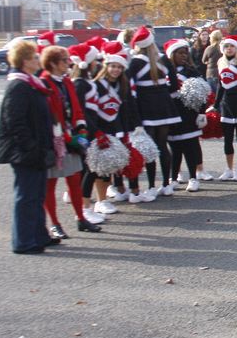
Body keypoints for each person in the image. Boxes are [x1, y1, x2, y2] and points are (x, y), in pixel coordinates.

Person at [0, 41, 61, 254]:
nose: (38, 60)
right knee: (26, 196)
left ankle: (39, 235)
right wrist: (32, 148)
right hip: (25, 151)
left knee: (37, 194)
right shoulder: (18, 86)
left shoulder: (31, 83)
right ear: (25, 61)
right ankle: (23, 241)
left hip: (38, 148)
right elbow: (15, 122)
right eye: (34, 57)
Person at [38, 45, 103, 237]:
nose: (68, 63)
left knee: (74, 179)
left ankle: (80, 218)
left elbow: (76, 107)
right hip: (54, 139)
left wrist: (81, 130)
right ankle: (55, 224)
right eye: (64, 60)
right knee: (50, 183)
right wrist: (64, 136)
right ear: (53, 63)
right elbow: (47, 115)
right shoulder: (44, 83)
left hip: (71, 137)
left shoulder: (66, 82)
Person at [92, 42, 148, 204]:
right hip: (103, 130)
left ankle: (135, 192)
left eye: (119, 67)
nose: (116, 70)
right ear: (106, 66)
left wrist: (137, 125)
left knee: (130, 159)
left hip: (121, 127)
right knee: (106, 164)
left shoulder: (123, 84)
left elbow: (131, 105)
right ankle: (106, 198)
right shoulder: (97, 85)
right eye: (113, 66)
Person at [128, 26, 181, 197]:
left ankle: (151, 186)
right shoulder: (164, 60)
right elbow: (174, 84)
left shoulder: (135, 62)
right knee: (163, 146)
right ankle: (167, 184)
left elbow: (130, 89)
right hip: (165, 107)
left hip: (146, 108)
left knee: (150, 149)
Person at [68, 43, 117, 217]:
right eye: (94, 60)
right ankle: (84, 209)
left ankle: (90, 206)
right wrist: (95, 131)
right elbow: (80, 112)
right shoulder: (80, 84)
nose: (97, 63)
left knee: (91, 170)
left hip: (93, 129)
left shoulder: (86, 81)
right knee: (88, 170)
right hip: (85, 132)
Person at [165, 39, 205, 192]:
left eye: (185, 53)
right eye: (180, 53)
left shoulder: (192, 71)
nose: (184, 56)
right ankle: (173, 177)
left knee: (191, 147)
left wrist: (201, 113)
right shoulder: (165, 72)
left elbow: (202, 94)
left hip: (189, 113)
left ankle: (193, 178)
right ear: (172, 55)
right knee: (175, 148)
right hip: (172, 113)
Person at [213, 35, 237, 181]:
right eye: (226, 46)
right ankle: (229, 169)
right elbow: (220, 85)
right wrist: (215, 105)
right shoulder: (220, 62)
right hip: (226, 104)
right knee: (227, 139)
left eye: (232, 46)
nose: (229, 49)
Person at [203, 29, 223, 95]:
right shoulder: (222, 47)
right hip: (221, 73)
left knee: (213, 95)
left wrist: (208, 62)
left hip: (210, 74)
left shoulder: (209, 48)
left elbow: (203, 60)